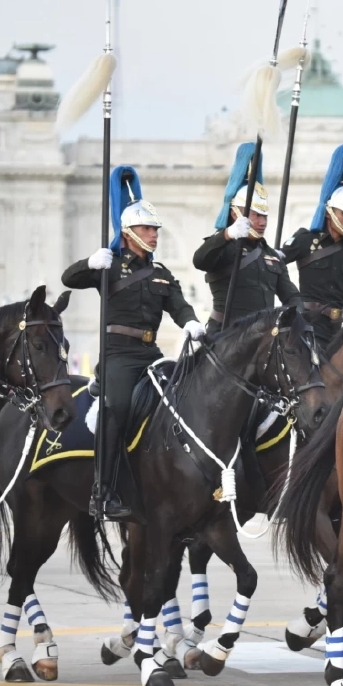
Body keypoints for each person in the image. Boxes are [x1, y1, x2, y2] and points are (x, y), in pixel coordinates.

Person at [63, 165, 202, 520]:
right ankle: (103, 491)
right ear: (127, 233)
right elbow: (69, 278)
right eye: (146, 228)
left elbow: (179, 305)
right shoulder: (109, 267)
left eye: (155, 229)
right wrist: (90, 263)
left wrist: (191, 323)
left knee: (182, 397)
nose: (154, 234)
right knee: (118, 409)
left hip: (149, 353)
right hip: (117, 356)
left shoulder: (161, 274)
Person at [193, 142, 300, 325]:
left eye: (264, 216)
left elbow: (291, 296)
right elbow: (200, 260)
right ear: (235, 213)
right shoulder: (223, 246)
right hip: (225, 335)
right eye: (256, 215)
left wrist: (296, 315)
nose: (262, 222)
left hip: (261, 337)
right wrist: (227, 234)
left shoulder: (271, 256)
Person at [281, 144, 343, 349]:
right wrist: (289, 300)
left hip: (335, 332)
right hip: (304, 327)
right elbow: (274, 264)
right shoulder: (306, 240)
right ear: (330, 212)